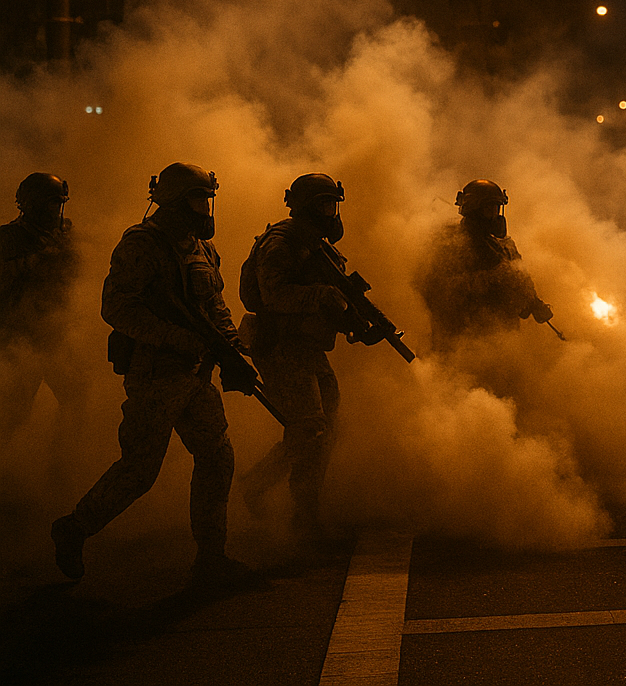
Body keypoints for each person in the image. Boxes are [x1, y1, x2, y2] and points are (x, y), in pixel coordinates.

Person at [52, 163, 258, 583]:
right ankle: (73, 528)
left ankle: (210, 558)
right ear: (175, 200)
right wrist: (176, 339)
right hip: (156, 375)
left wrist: (234, 350)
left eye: (208, 199)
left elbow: (214, 307)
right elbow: (117, 308)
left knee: (217, 457)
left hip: (196, 374)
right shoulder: (141, 245)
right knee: (140, 470)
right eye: (199, 199)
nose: (206, 208)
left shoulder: (200, 248)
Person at [238, 173, 360, 543]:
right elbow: (272, 295)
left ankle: (306, 511)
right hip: (281, 346)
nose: (331, 212)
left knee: (326, 427)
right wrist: (322, 296)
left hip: (306, 346)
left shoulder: (317, 244)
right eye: (325, 204)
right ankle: (262, 490)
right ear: (307, 206)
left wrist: (350, 320)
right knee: (309, 429)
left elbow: (330, 294)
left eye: (333, 204)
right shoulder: (282, 241)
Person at [415, 179, 554, 346]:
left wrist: (533, 303)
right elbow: (441, 292)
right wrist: (492, 278)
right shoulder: (451, 243)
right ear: (474, 210)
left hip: (502, 339)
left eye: (497, 208)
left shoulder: (504, 245)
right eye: (489, 209)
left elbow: (520, 280)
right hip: (464, 340)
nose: (495, 214)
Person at [0, 173, 82, 449]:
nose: (56, 211)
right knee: (14, 414)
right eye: (49, 205)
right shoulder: (8, 238)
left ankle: (60, 467)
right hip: (20, 339)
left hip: (55, 337)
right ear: (31, 205)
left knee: (75, 402)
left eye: (58, 204)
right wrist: (37, 260)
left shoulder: (64, 234)